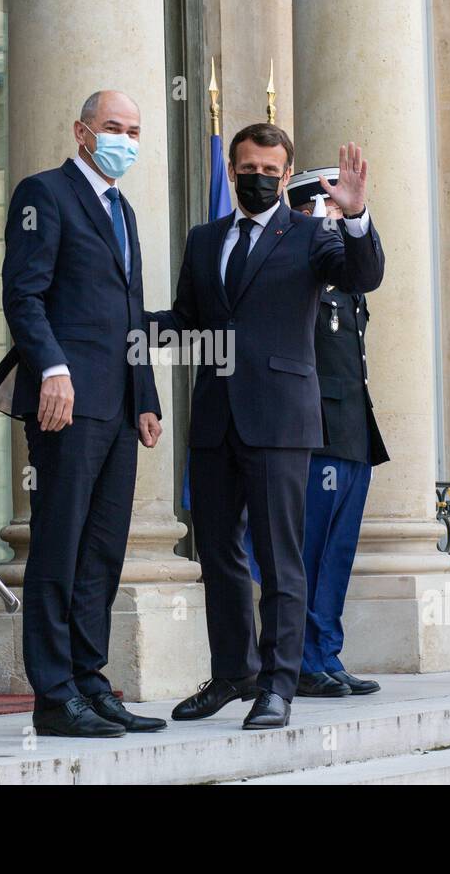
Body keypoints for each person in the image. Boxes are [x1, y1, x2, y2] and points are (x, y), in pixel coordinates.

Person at [147, 126, 384, 729]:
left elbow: (361, 275)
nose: (257, 176)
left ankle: (278, 684)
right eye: (247, 166)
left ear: (286, 174)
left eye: (269, 169)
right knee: (220, 554)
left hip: (280, 419)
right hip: (214, 420)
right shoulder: (204, 240)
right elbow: (186, 322)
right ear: (231, 169)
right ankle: (233, 672)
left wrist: (354, 216)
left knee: (281, 558)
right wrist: (121, 327)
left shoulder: (311, 234)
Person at [0, 90, 166, 738]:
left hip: (117, 407)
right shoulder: (44, 194)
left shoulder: (124, 210)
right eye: (114, 127)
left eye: (135, 130)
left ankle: (91, 682)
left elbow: (132, 313)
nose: (126, 139)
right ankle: (54, 696)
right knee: (58, 547)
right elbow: (23, 295)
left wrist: (147, 398)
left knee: (104, 550)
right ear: (82, 131)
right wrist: (52, 368)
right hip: (64, 403)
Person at [281, 168, 388, 699]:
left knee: (338, 551)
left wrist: (355, 220)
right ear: (304, 214)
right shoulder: (297, 272)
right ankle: (301, 659)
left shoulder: (346, 279)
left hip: (351, 432)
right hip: (315, 433)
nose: (335, 221)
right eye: (328, 212)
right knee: (310, 551)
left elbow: (371, 268)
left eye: (340, 214)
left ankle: (326, 652)